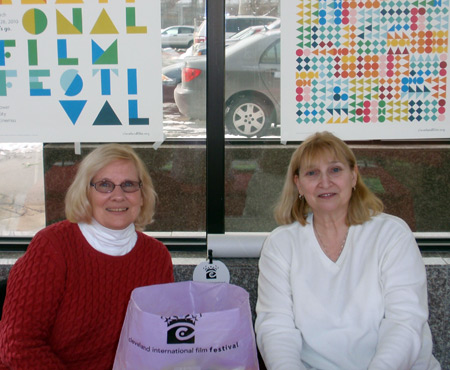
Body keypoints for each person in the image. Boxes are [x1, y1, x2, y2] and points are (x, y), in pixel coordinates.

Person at [255, 132, 440, 370]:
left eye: (335, 170)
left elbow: (404, 322)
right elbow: (275, 327)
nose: (325, 182)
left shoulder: (392, 235)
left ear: (354, 176)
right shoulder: (280, 244)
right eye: (312, 173)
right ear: (298, 184)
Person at [0, 144, 174, 369]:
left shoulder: (156, 257)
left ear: (142, 196)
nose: (118, 196)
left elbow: (160, 343)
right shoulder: (52, 247)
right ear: (85, 193)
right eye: (104, 185)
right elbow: (18, 345)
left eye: (129, 185)